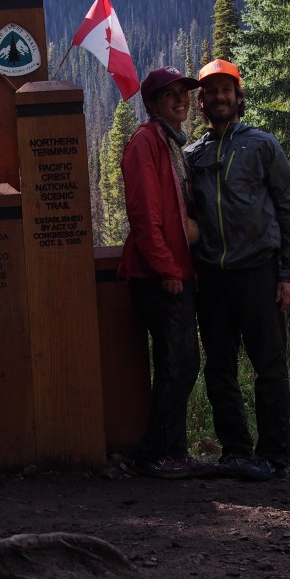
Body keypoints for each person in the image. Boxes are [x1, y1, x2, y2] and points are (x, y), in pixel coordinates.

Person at [184, 59, 290, 482]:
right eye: (210, 92)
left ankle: (272, 454)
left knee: (269, 366)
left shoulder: (261, 145)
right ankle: (235, 451)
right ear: (201, 102)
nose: (219, 98)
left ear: (238, 97)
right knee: (219, 367)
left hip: (259, 272)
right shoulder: (193, 155)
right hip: (212, 278)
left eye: (226, 90)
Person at [118, 66, 209, 479]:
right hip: (158, 277)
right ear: (152, 103)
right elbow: (144, 215)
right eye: (170, 94)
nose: (181, 100)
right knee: (181, 364)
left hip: (175, 272)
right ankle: (153, 455)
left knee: (177, 363)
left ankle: (174, 452)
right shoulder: (145, 141)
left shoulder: (170, 142)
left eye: (184, 93)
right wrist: (167, 267)